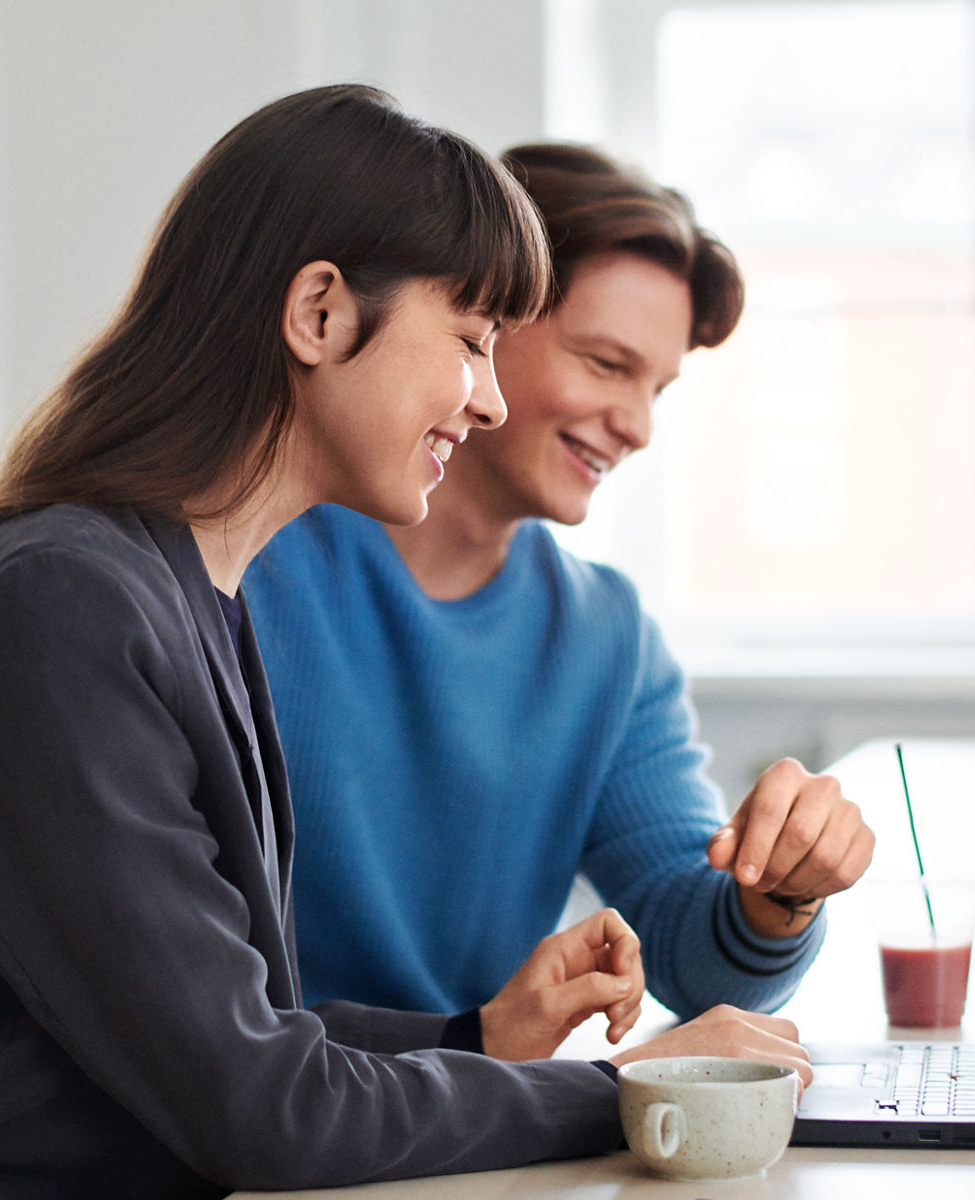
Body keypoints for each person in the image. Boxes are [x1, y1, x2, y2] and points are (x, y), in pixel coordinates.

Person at [0, 86, 813, 1200]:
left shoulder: (181, 589)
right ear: (317, 314)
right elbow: (264, 1110)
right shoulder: (60, 607)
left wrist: (476, 1034)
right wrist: (638, 1087)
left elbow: (244, 1033)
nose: (487, 399)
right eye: (467, 342)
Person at [243, 143, 876, 1030]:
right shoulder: (245, 566)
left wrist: (782, 892)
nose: (639, 426)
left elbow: (698, 962)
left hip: (462, 1139)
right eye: (608, 364)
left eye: (658, 387)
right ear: (487, 322)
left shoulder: (604, 637)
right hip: (266, 1135)